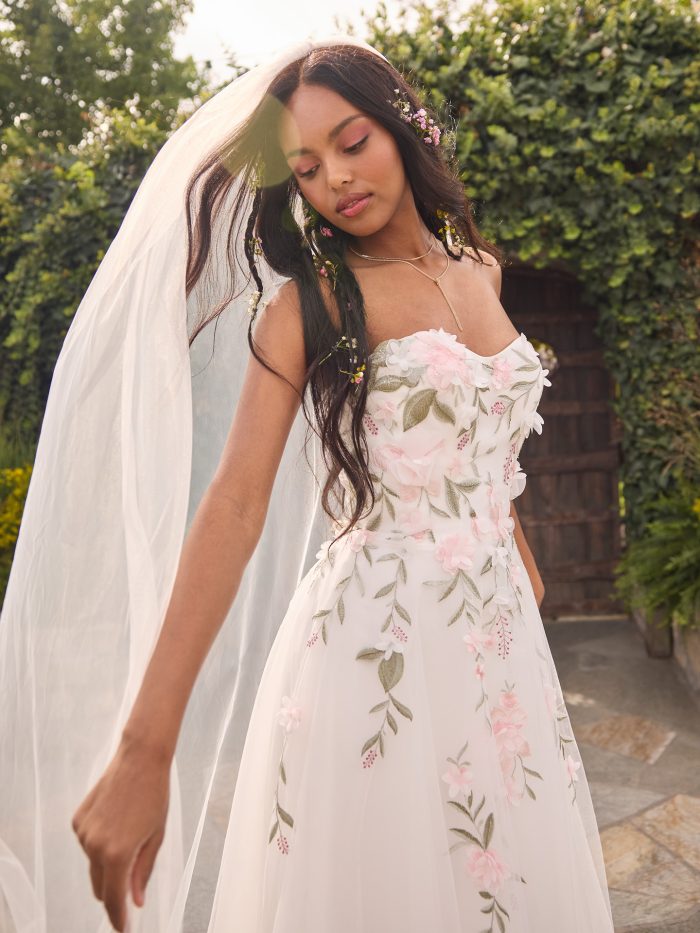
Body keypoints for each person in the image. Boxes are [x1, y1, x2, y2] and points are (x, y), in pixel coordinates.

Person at [0, 33, 615, 933]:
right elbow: (235, 504)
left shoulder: (479, 271)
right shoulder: (308, 309)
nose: (335, 177)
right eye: (307, 166)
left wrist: (507, 536)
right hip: (377, 644)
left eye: (351, 141)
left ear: (404, 128)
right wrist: (145, 747)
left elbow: (480, 426)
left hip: (499, 646)